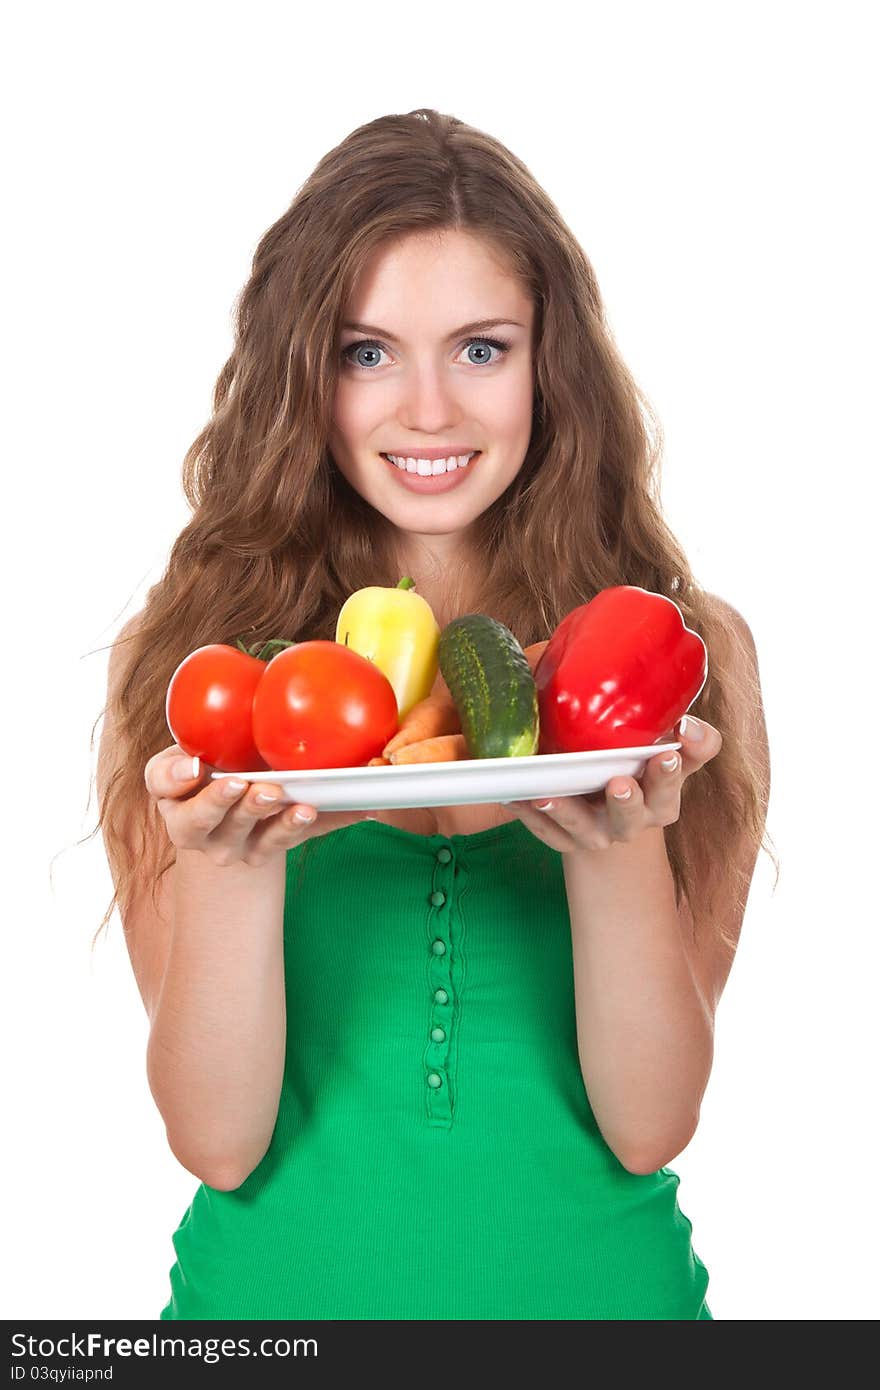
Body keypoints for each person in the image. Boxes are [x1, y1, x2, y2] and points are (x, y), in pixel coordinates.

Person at [95, 108, 774, 1321]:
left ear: (547, 366)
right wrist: (230, 872)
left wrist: (619, 847)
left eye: (480, 349)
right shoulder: (194, 674)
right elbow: (219, 1144)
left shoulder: (686, 660)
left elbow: (647, 1123)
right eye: (367, 352)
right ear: (303, 371)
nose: (429, 412)